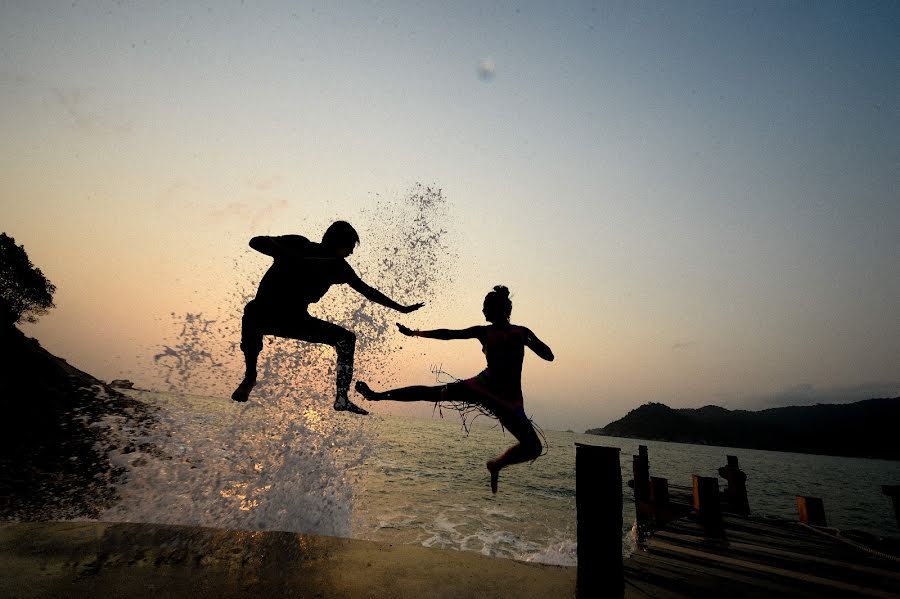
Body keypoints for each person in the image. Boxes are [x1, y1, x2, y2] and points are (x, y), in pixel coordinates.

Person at [355, 285, 554, 492]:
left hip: (505, 399)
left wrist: (529, 341)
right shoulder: (503, 332)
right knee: (431, 394)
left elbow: (548, 355)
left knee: (533, 447)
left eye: (486, 307)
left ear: (497, 310)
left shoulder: (512, 332)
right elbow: (448, 334)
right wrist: (415, 333)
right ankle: (376, 395)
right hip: (485, 389)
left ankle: (496, 465)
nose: (483, 311)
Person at [231, 220, 424, 415]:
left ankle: (342, 398)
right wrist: (286, 253)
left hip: (296, 320)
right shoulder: (300, 244)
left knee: (347, 339)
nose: (351, 252)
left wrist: (401, 308)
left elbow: (367, 291)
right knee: (252, 309)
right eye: (349, 246)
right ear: (337, 242)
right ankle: (250, 377)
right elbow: (255, 242)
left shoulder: (339, 268)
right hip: (266, 313)